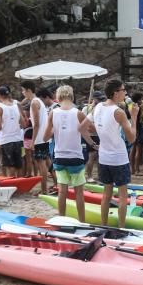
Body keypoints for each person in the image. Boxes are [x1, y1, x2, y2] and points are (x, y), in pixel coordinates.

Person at [80, 79, 140, 225]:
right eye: (123, 90)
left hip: (104, 157)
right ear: (115, 93)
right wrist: (134, 116)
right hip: (119, 158)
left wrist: (94, 144)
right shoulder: (118, 112)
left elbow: (82, 127)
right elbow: (132, 138)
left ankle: (104, 225)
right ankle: (121, 227)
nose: (125, 92)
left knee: (106, 195)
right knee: (122, 196)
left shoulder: (98, 106)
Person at [42, 84, 88, 219]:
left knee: (62, 191)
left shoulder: (53, 113)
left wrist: (54, 130)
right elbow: (87, 131)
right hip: (76, 157)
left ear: (59, 96)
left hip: (60, 156)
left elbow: (45, 137)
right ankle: (82, 221)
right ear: (71, 95)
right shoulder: (78, 113)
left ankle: (61, 219)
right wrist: (93, 144)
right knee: (79, 193)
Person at [0, 85, 26, 177]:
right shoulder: (16, 105)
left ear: (0, 96)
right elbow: (23, 123)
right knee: (19, 164)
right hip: (18, 139)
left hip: (6, 140)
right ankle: (20, 185)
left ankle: (13, 185)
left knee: (10, 166)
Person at [30, 85, 53, 191]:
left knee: (41, 164)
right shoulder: (39, 102)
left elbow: (36, 124)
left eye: (23, 91)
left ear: (28, 90)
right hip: (44, 137)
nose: (22, 93)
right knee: (47, 161)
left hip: (39, 138)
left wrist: (32, 141)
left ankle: (44, 189)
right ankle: (56, 185)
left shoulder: (34, 103)